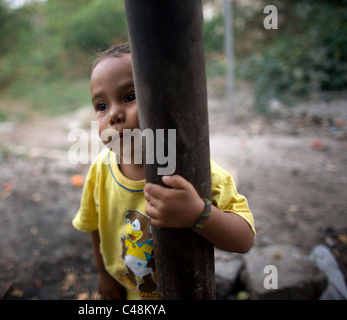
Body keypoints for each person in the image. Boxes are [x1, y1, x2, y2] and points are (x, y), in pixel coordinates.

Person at [72, 42, 255, 300]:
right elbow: (94, 224)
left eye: (130, 96)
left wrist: (198, 214)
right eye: (101, 106)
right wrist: (103, 273)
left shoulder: (194, 171)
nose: (113, 115)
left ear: (164, 101)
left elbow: (244, 239)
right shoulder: (99, 171)